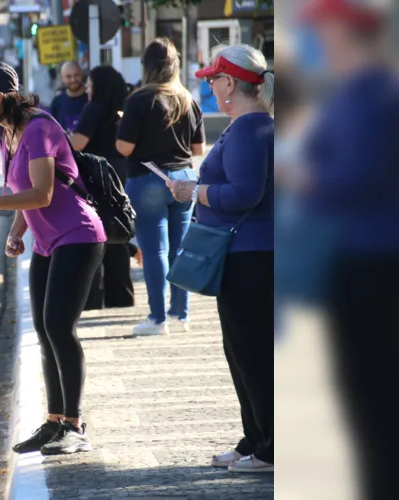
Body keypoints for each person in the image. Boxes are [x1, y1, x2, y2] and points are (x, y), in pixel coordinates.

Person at [0, 61, 106, 456]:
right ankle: (55, 422)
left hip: (79, 234)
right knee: (42, 327)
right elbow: (24, 196)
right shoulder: (7, 133)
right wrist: (16, 232)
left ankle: (75, 425)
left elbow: (42, 194)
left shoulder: (39, 128)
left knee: (58, 325)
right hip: (46, 241)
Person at [291, 1, 398, 496]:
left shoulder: (370, 95)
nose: (316, 44)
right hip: (355, 260)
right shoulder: (357, 93)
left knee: (372, 401)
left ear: (347, 35)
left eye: (322, 33)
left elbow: (355, 176)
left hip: (370, 263)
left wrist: (303, 177)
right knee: (365, 402)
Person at [167, 43, 274, 474]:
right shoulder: (247, 125)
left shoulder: (251, 128)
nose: (210, 86)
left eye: (214, 79)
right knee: (240, 351)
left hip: (252, 255)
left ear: (230, 82)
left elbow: (246, 193)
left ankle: (270, 449)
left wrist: (195, 191)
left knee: (253, 353)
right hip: (243, 253)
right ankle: (255, 439)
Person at [116, 38, 205, 336]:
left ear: (147, 66)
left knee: (154, 251)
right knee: (180, 249)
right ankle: (181, 314)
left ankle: (157, 319)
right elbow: (198, 149)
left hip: (148, 179)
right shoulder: (188, 99)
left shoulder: (140, 100)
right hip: (183, 179)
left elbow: (125, 148)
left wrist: (123, 126)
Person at [70, 65, 135, 309]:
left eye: (90, 83)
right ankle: (121, 297)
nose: (87, 88)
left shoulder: (94, 109)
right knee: (118, 235)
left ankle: (91, 300)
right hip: (121, 174)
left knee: (94, 236)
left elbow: (77, 144)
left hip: (96, 178)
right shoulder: (125, 108)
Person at [48, 61, 87, 134]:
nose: (73, 79)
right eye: (68, 76)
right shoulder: (57, 102)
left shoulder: (91, 99)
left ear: (82, 74)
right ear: (62, 78)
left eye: (76, 75)